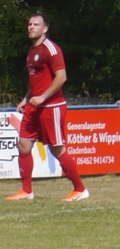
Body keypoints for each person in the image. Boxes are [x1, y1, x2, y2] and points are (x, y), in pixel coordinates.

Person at [6, 13, 89, 201]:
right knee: (24, 144)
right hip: (34, 106)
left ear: (45, 29)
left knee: (57, 149)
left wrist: (42, 97)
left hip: (51, 106)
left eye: (36, 24)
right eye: (29, 24)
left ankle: (80, 188)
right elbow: (35, 80)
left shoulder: (51, 49)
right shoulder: (31, 51)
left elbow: (62, 77)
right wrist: (26, 98)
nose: (31, 27)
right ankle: (27, 191)